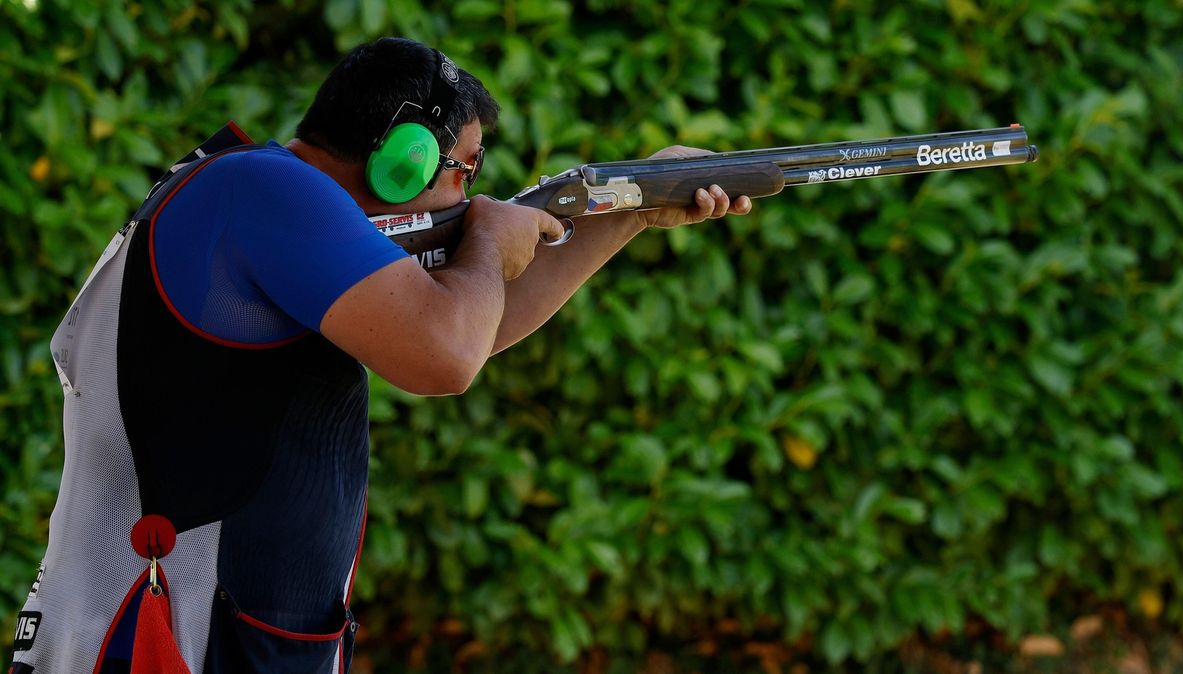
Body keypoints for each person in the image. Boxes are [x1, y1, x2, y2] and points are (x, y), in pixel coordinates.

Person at [9, 37, 751, 673]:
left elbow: (473, 325)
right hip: (168, 634)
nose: (468, 191)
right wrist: (490, 240)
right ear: (405, 159)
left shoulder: (249, 192)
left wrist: (630, 213)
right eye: (465, 167)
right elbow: (445, 356)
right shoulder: (265, 191)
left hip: (205, 627)